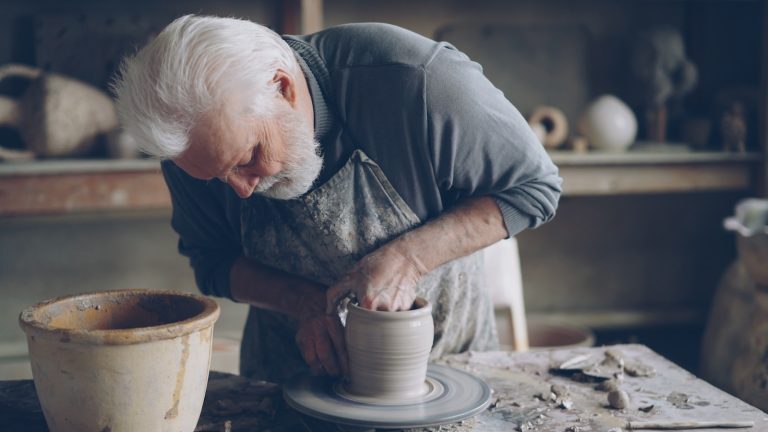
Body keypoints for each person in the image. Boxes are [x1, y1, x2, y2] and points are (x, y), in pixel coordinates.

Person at [113, 15, 562, 384]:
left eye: (249, 157)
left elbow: (534, 187)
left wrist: (410, 258)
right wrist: (305, 302)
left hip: (447, 369)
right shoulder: (190, 148)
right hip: (292, 377)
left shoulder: (415, 82)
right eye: (216, 177)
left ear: (282, 87)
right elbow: (211, 261)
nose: (241, 189)